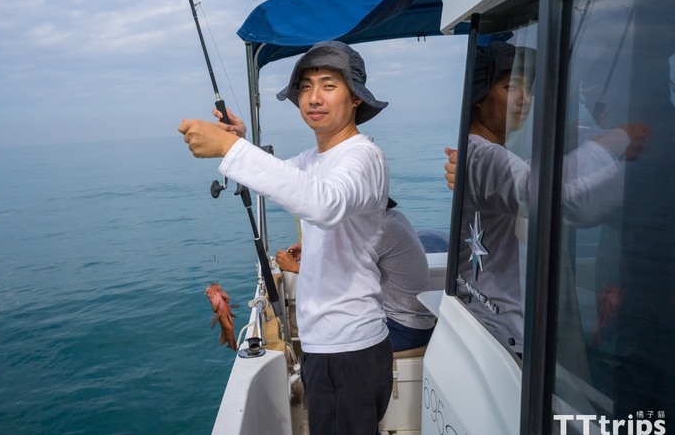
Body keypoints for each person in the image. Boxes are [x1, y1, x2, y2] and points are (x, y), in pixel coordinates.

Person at [178, 40, 393, 434]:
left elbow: (324, 204)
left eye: (329, 85)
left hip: (349, 346)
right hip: (326, 342)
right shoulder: (316, 158)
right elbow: (277, 179)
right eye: (305, 87)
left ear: (356, 98)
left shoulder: (361, 156)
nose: (314, 97)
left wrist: (230, 147)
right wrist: (240, 142)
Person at [444, 41, 649, 359]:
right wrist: (617, 140)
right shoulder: (485, 154)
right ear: (479, 98)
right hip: (506, 331)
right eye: (510, 87)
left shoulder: (475, 152)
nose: (524, 100)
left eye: (529, 89)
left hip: (488, 316)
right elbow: (557, 200)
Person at [276, 198, 436, 352]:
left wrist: (294, 267)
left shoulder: (380, 229)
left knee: (328, 337)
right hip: (414, 323)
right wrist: (309, 247)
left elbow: (336, 277)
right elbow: (344, 255)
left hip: (404, 328)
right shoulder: (392, 219)